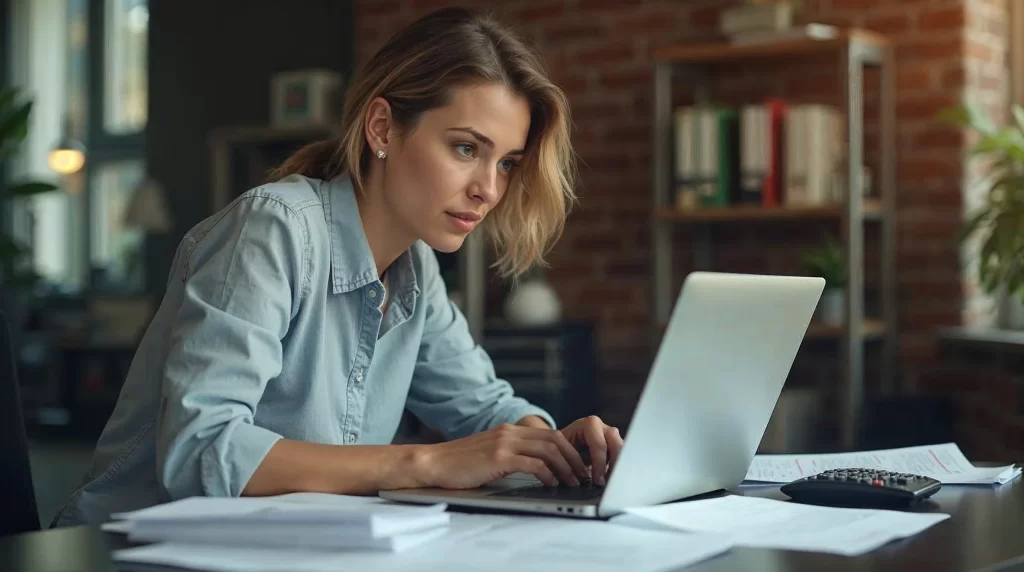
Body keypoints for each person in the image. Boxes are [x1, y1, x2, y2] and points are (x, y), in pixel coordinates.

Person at [52, 7, 623, 527]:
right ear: (382, 128)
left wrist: (556, 448)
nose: (488, 189)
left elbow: (485, 408)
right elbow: (201, 450)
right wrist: (426, 462)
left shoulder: (415, 271)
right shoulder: (272, 228)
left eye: (507, 163)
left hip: (282, 551)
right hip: (126, 550)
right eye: (466, 149)